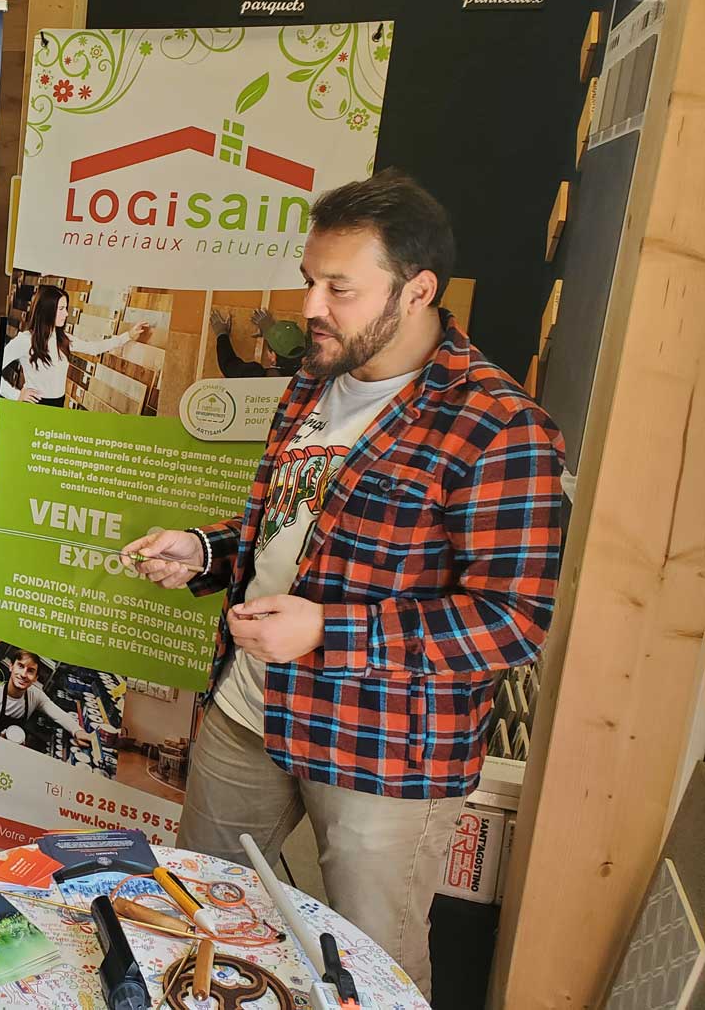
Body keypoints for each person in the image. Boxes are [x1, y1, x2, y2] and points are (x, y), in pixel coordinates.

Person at [123, 169, 563, 997]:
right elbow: (294, 531)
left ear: (418, 288)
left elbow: (512, 620)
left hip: (381, 751)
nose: (312, 308)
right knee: (197, 918)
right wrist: (206, 551)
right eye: (308, 281)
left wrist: (329, 632)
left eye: (341, 288)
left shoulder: (501, 426)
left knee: (371, 964)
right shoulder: (316, 379)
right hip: (249, 709)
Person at [0, 284, 150, 404]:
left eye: (66, 308)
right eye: (61, 309)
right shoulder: (25, 341)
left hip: (59, 404)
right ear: (46, 310)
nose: (66, 314)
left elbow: (93, 348)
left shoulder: (62, 339)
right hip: (35, 406)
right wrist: (16, 395)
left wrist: (128, 336)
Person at [0, 649, 92, 747]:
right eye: (20, 666)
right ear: (11, 667)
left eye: (30, 671)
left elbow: (58, 713)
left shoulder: (35, 695)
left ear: (35, 678)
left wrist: (77, 731)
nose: (24, 674)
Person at [210, 306, 305, 378]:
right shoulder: (312, 372)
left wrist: (221, 333)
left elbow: (229, 367)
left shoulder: (255, 375)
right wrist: (269, 330)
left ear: (273, 358)